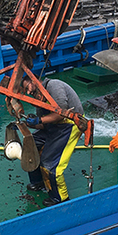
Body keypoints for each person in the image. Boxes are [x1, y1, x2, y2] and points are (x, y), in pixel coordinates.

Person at [21, 76, 84, 207]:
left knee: (50, 162)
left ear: (35, 81)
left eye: (27, 88)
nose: (28, 93)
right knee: (31, 145)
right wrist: (29, 124)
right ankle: (38, 181)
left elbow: (62, 113)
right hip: (54, 126)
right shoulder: (39, 97)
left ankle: (60, 197)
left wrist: (39, 120)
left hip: (71, 124)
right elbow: (44, 124)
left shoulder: (53, 86)